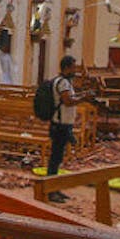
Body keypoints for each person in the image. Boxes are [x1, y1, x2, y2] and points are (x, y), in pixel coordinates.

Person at [46, 55, 86, 200]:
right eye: (74, 67)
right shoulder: (63, 83)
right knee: (55, 158)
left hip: (63, 125)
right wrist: (83, 99)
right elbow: (68, 101)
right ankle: (51, 190)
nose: (75, 70)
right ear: (67, 67)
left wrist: (81, 96)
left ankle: (55, 188)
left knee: (58, 158)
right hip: (60, 126)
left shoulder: (65, 82)